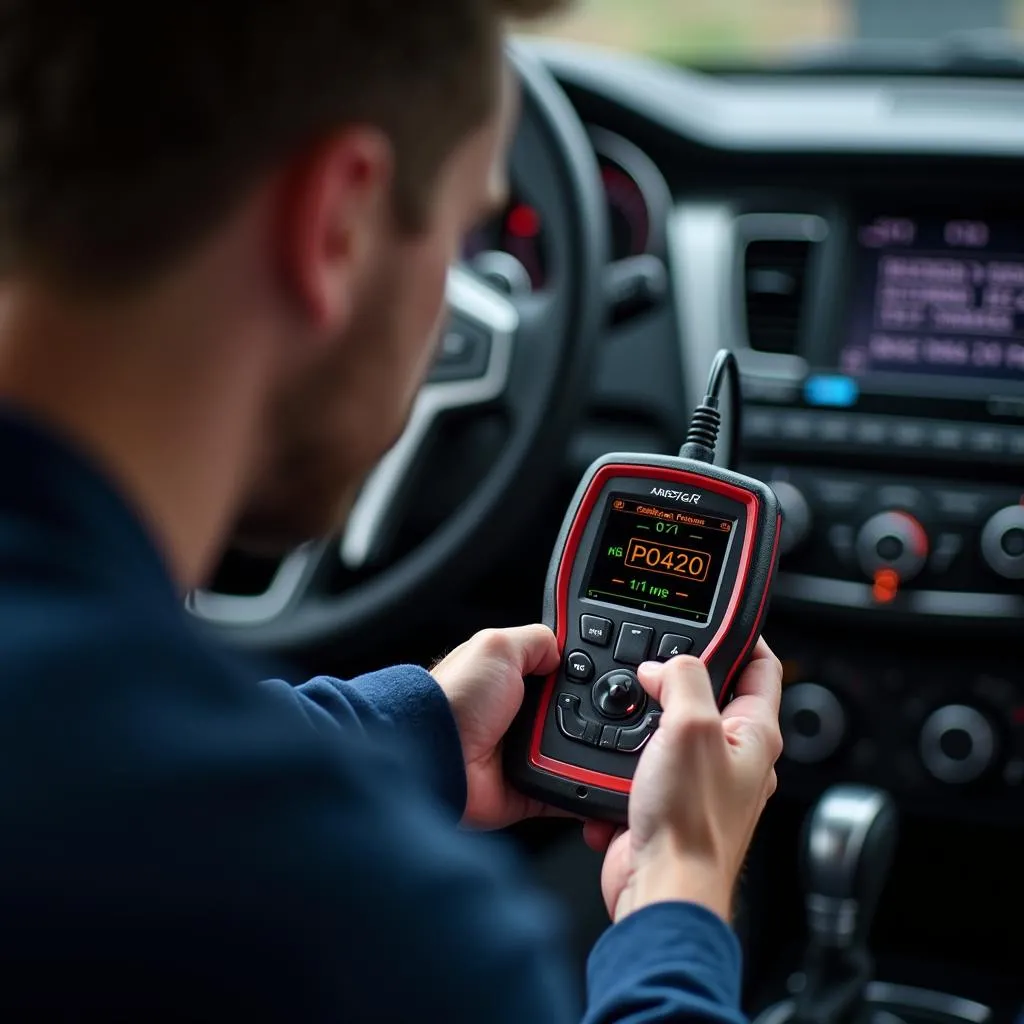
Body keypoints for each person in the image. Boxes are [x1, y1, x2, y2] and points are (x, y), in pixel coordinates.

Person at [0, 1, 784, 1020]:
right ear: (338, 223)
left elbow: (89, 761)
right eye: (465, 237)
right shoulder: (368, 926)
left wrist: (400, 732)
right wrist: (678, 894)